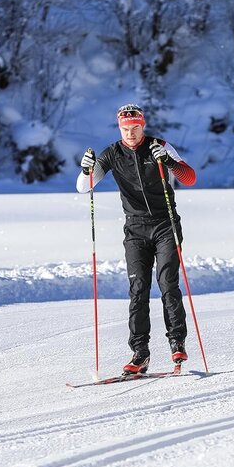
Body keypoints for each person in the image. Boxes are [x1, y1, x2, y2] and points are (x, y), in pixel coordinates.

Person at [77, 103, 197, 375]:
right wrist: (86, 170)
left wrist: (168, 162)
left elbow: (189, 177)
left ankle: (177, 342)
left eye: (135, 128)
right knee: (138, 290)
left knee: (168, 284)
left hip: (165, 224)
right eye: (125, 129)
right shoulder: (112, 153)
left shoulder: (159, 146)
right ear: (120, 129)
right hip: (135, 229)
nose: (130, 133)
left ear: (143, 126)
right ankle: (140, 353)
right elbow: (85, 187)